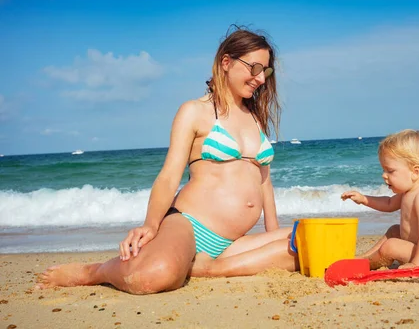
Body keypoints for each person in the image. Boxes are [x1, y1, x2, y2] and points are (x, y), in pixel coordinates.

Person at [37, 26, 298, 294]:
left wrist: (271, 235)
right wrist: (150, 224)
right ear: (226, 62)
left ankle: (207, 266)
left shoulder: (255, 119)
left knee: (302, 243)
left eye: (265, 72)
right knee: (154, 277)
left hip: (232, 241)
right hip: (188, 225)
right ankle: (95, 270)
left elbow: (263, 181)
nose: (260, 79)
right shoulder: (194, 111)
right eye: (254, 68)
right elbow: (169, 175)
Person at [341, 129, 419, 271]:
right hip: (417, 248)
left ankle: (367, 265)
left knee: (390, 246)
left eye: (390, 171)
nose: (384, 176)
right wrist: (364, 199)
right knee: (394, 230)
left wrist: (418, 263)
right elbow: (388, 203)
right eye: (384, 170)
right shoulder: (407, 192)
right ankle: (364, 258)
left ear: (415, 172)